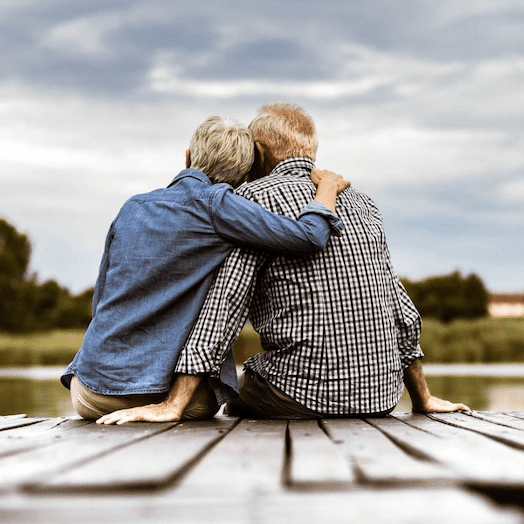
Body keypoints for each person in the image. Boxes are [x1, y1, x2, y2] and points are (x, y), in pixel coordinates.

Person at [99, 103, 468, 425]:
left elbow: (225, 306)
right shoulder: (363, 203)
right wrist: (422, 398)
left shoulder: (249, 200)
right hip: (381, 398)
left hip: (300, 394)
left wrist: (173, 404)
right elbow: (400, 307)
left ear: (257, 153)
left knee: (237, 388)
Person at [62, 115, 348, 422]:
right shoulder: (221, 206)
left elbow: (100, 301)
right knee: (224, 398)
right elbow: (309, 236)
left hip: (91, 392)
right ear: (245, 176)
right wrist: (327, 190)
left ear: (187, 157)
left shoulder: (133, 206)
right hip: (170, 396)